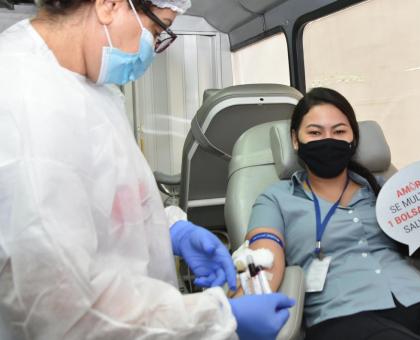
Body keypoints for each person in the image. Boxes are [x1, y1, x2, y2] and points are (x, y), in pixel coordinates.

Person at [0, 0, 294, 339]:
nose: (153, 48)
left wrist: (172, 230)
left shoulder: (90, 86)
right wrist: (219, 317)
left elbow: (114, 192)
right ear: (109, 5)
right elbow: (64, 310)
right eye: (157, 29)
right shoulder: (25, 102)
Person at [245, 87, 420, 340]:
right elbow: (262, 259)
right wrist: (243, 303)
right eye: (314, 132)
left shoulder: (388, 190)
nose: (327, 140)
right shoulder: (276, 198)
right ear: (296, 140)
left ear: (352, 139)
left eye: (339, 131)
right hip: (341, 314)